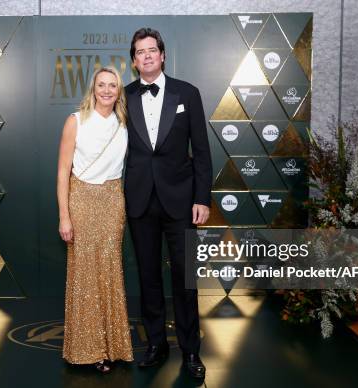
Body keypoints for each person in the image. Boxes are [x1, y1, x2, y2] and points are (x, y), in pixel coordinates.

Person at [124, 28, 212, 380]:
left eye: (152, 50)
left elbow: (202, 152)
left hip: (181, 201)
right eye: (140, 52)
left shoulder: (187, 93)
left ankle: (190, 351)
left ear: (162, 55)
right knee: (148, 278)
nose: (146, 56)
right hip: (140, 201)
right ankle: (156, 344)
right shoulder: (124, 96)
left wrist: (202, 198)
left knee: (185, 279)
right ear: (134, 60)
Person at [57, 66, 133, 373]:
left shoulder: (126, 123)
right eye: (101, 85)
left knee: (110, 269)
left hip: (113, 200)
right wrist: (65, 215)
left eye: (112, 85)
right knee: (84, 276)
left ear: (118, 91)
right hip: (81, 200)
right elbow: (63, 171)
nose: (106, 90)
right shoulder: (76, 121)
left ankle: (114, 346)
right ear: (93, 88)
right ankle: (87, 350)